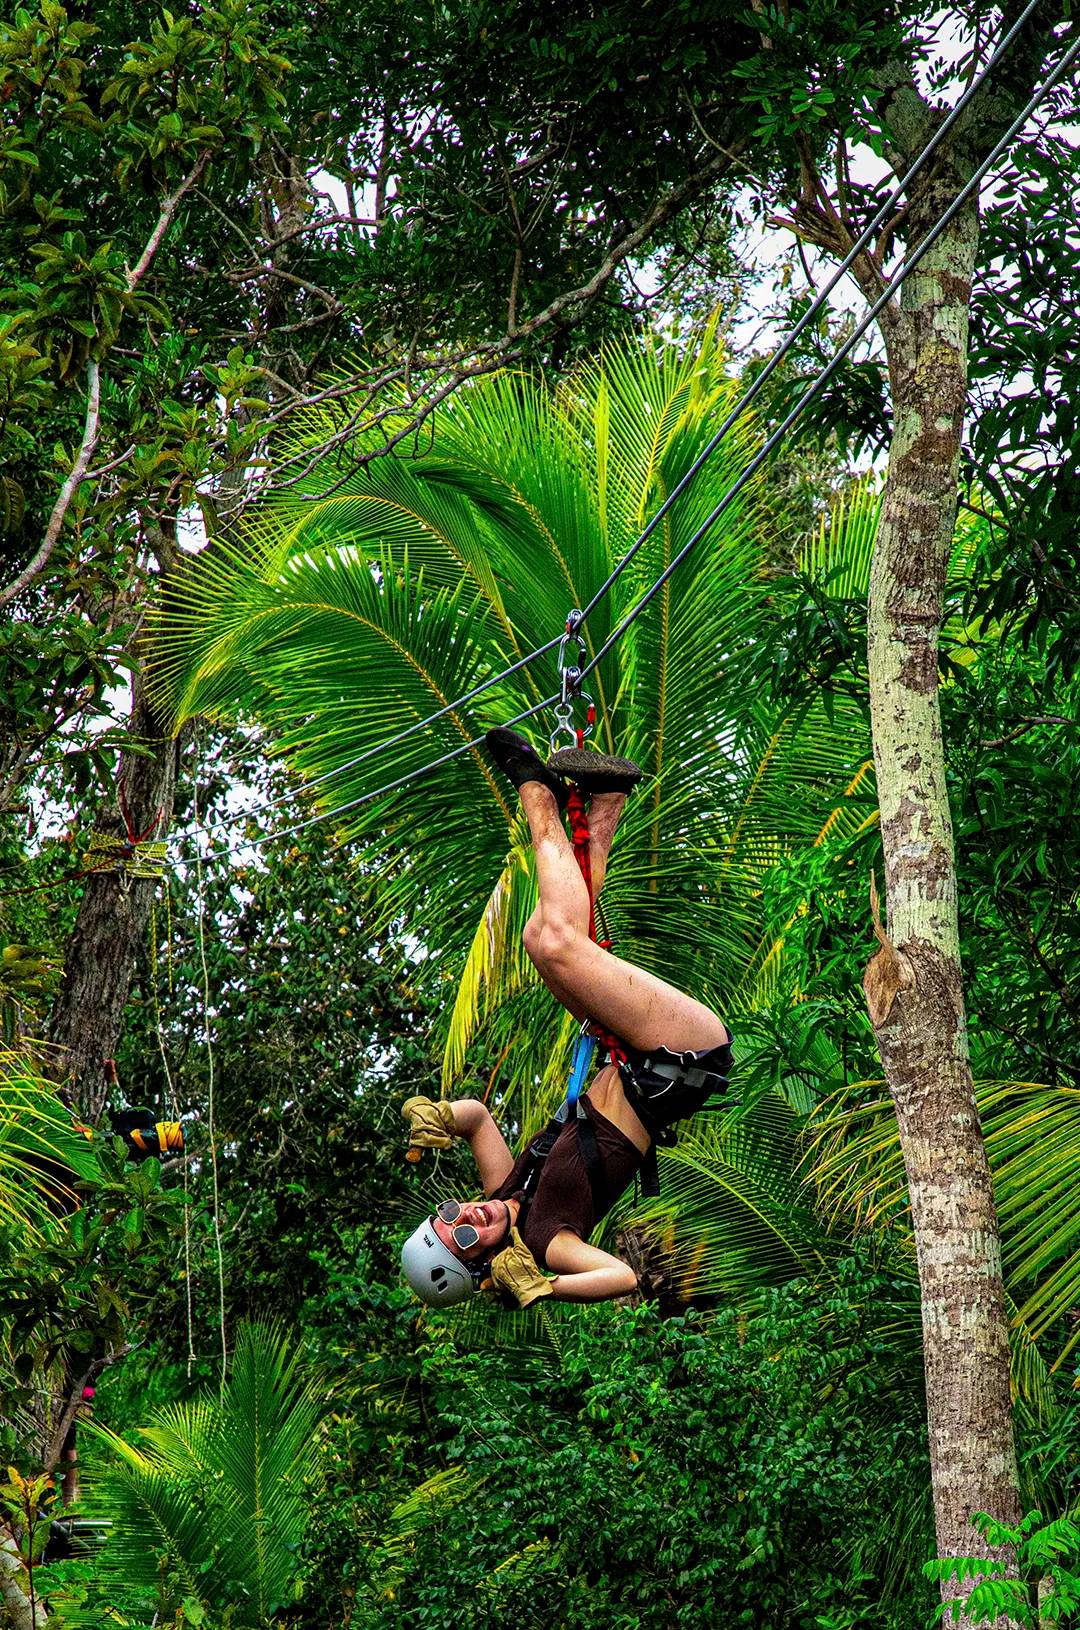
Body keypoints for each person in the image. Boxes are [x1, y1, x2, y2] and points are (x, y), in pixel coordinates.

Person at [399, 727, 733, 1309]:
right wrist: (539, 1287)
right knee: (555, 942)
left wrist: (438, 1116)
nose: (469, 1216)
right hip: (678, 1060)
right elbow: (621, 1278)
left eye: (449, 1215)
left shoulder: (504, 1188)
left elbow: (478, 1119)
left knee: (544, 936)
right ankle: (538, 796)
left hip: (636, 1053)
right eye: (467, 1238)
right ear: (484, 1266)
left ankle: (605, 802)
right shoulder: (547, 1242)